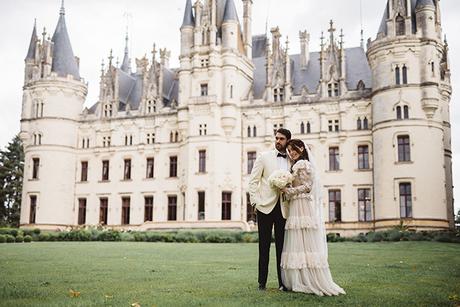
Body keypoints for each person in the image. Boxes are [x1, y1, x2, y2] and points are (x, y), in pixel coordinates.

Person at [280, 139, 346, 296]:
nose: (291, 152)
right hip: (297, 204)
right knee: (299, 241)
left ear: (301, 148)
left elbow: (307, 187)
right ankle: (300, 279)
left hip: (302, 204)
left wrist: (288, 190)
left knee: (304, 240)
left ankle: (307, 280)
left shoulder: (302, 164)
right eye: (289, 150)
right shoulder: (296, 165)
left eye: (294, 149)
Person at [248, 128, 293, 291]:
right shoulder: (264, 157)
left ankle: (283, 283)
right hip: (264, 207)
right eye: (276, 138)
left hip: (284, 208)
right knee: (264, 247)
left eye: (281, 139)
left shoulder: (292, 160)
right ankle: (262, 283)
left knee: (283, 248)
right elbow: (253, 181)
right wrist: (255, 202)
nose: (278, 141)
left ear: (288, 140)